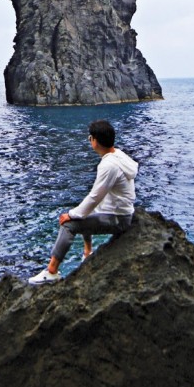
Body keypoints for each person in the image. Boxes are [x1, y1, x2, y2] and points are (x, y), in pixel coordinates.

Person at [28, 119, 138, 284]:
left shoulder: (109, 166)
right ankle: (87, 253)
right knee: (83, 213)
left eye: (90, 138)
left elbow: (94, 197)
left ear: (95, 141)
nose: (89, 141)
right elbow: (95, 199)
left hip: (118, 219)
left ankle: (51, 271)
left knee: (69, 225)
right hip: (121, 211)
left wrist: (70, 215)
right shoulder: (118, 155)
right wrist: (77, 213)